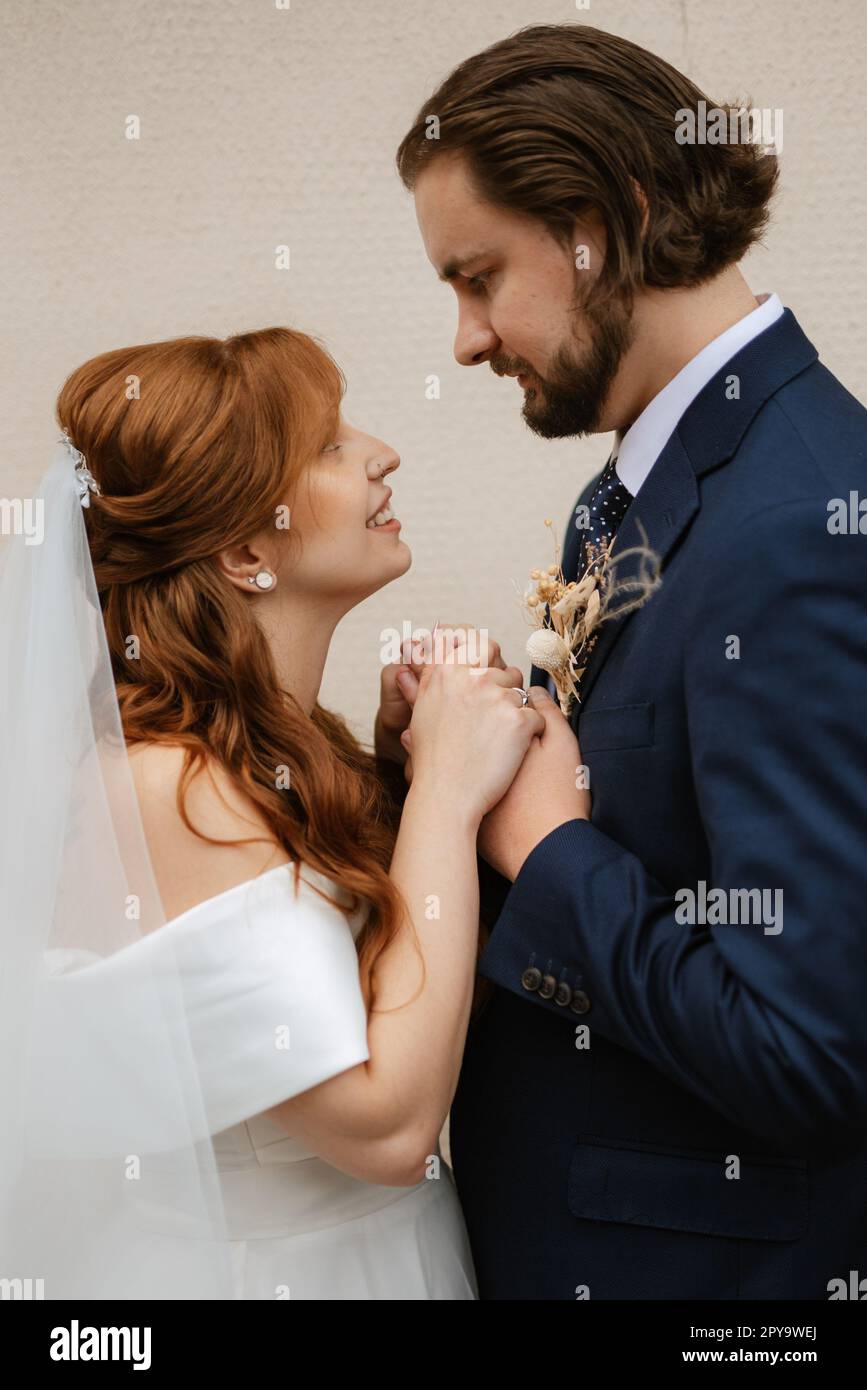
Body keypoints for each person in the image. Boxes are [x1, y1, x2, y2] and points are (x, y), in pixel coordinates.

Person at [391, 23, 867, 1299]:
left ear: (611, 217)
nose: (467, 341)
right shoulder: (635, 492)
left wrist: (550, 851)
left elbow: (811, 1051)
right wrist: (467, 762)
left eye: (478, 277)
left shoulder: (796, 528)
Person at [0, 325, 551, 1300]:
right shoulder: (166, 785)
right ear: (248, 548)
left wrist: (397, 771)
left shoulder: (281, 752)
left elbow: (372, 982)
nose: (382, 451)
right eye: (332, 446)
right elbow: (386, 1123)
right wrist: (447, 796)